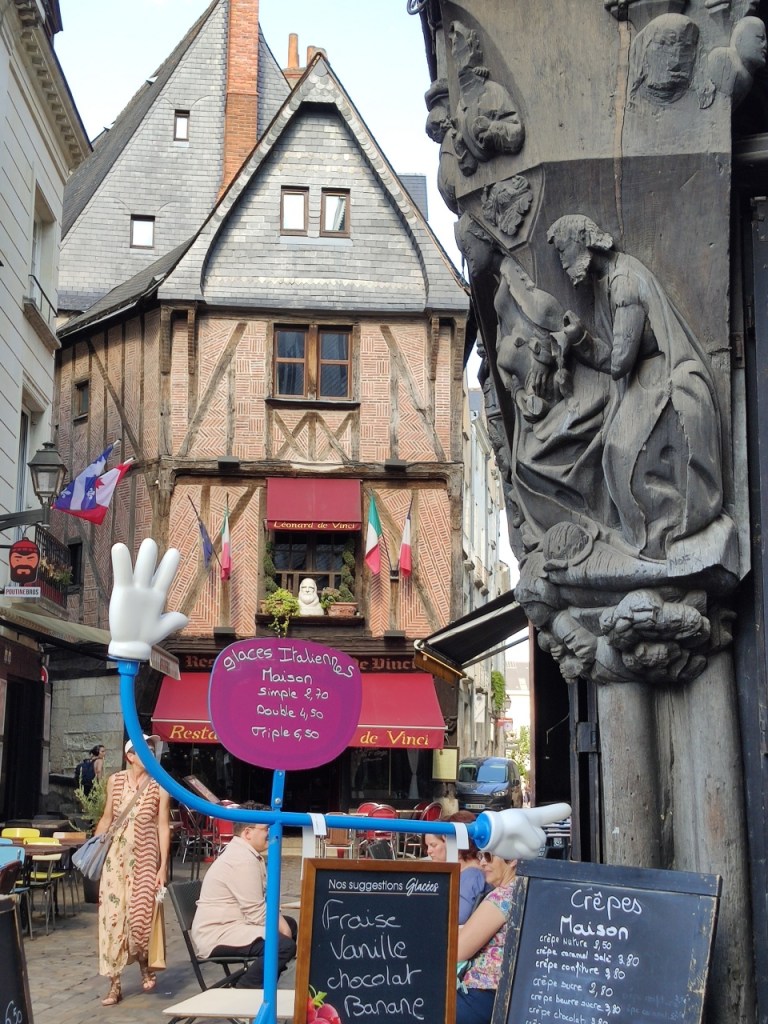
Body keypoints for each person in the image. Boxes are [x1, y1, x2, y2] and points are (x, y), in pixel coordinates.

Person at [94, 733, 170, 1007]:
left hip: (145, 862)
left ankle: (144, 964)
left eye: (152, 749)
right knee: (112, 921)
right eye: (144, 749)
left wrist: (163, 866)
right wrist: (94, 850)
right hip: (115, 861)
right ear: (130, 756)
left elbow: (163, 826)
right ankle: (114, 984)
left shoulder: (160, 785)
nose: (151, 753)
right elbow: (107, 817)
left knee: (140, 920)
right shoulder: (114, 781)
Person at [191, 802, 297, 988]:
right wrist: (283, 931)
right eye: (267, 828)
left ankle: (263, 984)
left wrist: (283, 926)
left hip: (234, 924)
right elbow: (256, 912)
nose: (272, 832)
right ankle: (244, 990)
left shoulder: (246, 854)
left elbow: (263, 902)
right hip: (218, 934)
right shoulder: (242, 860)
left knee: (289, 925)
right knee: (282, 945)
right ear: (247, 833)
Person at [455, 851, 518, 1024]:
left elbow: (458, 950)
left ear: (512, 859)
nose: (482, 862)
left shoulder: (502, 897)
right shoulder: (528, 890)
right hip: (509, 996)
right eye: (481, 856)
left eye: (489, 857)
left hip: (482, 994)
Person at [424, 812, 486, 924]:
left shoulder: (472, 876)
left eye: (433, 845)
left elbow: (457, 917)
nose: (428, 851)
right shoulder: (467, 872)